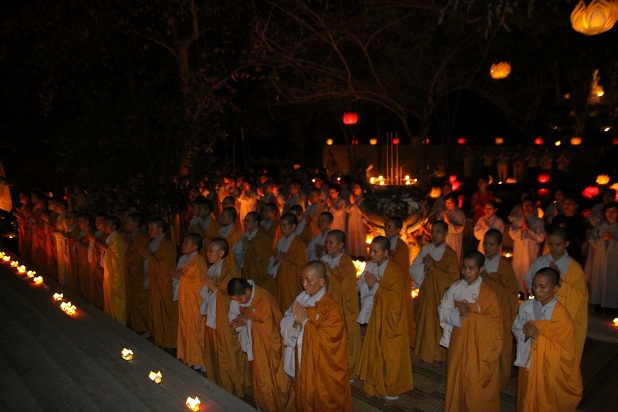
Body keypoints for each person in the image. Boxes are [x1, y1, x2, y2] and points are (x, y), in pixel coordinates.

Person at [280, 261, 352, 411]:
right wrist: (296, 324)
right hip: (303, 357)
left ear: (321, 281)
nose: (304, 284)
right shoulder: (302, 298)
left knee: (321, 398)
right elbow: (287, 318)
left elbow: (330, 339)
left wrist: (305, 322)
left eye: (308, 280)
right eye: (302, 280)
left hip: (321, 365)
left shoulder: (329, 306)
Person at [438, 250, 502, 411]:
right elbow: (443, 310)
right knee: (455, 376)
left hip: (477, 347)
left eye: (471, 268)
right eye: (464, 267)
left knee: (473, 382)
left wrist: (470, 315)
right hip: (458, 342)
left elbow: (495, 325)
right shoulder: (455, 287)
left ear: (481, 270)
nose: (466, 272)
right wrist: (458, 313)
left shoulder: (487, 294)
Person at [513, 267, 582, 411]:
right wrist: (526, 334)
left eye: (542, 287)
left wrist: (538, 337)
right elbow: (517, 328)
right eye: (534, 285)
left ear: (555, 288)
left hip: (547, 369)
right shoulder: (526, 306)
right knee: (525, 398)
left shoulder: (561, 316)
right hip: (527, 363)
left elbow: (567, 353)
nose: (537, 290)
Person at [356, 236, 414, 401]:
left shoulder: (393, 271)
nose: (372, 254)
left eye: (376, 251)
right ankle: (372, 385)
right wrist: (368, 284)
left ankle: (391, 390)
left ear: (386, 253)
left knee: (389, 353)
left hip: (390, 320)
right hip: (376, 316)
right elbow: (361, 286)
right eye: (371, 251)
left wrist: (375, 285)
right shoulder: (371, 266)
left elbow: (396, 299)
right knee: (374, 349)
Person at [228, 278, 295, 412]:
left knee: (274, 383)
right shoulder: (244, 298)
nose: (239, 302)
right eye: (236, 300)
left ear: (248, 291)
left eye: (240, 299)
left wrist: (247, 322)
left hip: (271, 352)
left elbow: (272, 330)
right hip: (257, 349)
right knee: (260, 381)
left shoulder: (264, 299)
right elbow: (239, 313)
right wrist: (240, 322)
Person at [524, 228, 588, 364]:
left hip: (561, 315)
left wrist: (561, 280)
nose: (553, 248)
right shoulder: (540, 261)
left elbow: (580, 297)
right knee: (537, 351)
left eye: (557, 245)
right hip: (539, 311)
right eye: (550, 244)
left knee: (555, 354)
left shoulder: (574, 268)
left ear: (566, 244)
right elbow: (529, 281)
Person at [201, 238, 248, 397]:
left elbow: (232, 298)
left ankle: (230, 385)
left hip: (225, 319)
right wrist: (210, 289)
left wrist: (214, 288)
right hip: (213, 316)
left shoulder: (229, 271)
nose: (208, 253)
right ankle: (216, 380)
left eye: (211, 250)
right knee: (214, 351)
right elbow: (205, 292)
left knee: (226, 352)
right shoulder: (212, 269)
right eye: (207, 250)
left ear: (221, 253)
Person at [409, 221, 459, 366]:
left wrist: (433, 267)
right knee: (423, 322)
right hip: (426, 292)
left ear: (445, 234)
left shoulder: (450, 254)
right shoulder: (426, 249)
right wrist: (425, 267)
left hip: (440, 295)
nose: (435, 235)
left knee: (437, 324)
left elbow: (453, 278)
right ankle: (423, 353)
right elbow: (413, 268)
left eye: (438, 232)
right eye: (433, 232)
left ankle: (438, 356)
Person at [321, 230, 361, 377]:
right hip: (327, 304)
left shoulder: (346, 263)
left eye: (331, 242)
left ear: (341, 245)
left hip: (343, 308)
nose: (327, 245)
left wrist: (329, 274)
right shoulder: (325, 259)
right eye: (326, 242)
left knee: (345, 337)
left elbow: (346, 290)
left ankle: (347, 370)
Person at [482, 229, 518, 388]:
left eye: (491, 244)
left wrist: (489, 280)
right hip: (481, 311)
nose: (487, 247)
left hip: (498, 313)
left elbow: (511, 293)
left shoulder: (504, 266)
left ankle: (499, 377)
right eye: (485, 243)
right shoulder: (480, 260)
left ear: (499, 246)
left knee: (498, 343)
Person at [141, 218, 178, 350]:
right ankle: (158, 337)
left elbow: (166, 267)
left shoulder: (166, 245)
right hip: (155, 283)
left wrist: (149, 258)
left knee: (165, 312)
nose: (149, 231)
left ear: (160, 230)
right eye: (149, 228)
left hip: (164, 284)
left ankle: (168, 341)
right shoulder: (155, 243)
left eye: (152, 229)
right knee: (155, 311)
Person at [173, 233, 208, 370]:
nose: (183, 245)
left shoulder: (199, 262)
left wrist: (182, 278)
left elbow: (200, 285)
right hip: (186, 302)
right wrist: (181, 277)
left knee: (196, 330)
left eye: (186, 243)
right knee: (186, 329)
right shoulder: (186, 259)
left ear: (194, 247)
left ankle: (200, 361)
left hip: (195, 303)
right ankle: (189, 357)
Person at [268, 212, 308, 311]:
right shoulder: (281, 241)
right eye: (281, 225)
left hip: (291, 282)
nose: (282, 228)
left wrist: (283, 261)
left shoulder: (298, 243)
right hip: (280, 279)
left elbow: (301, 266)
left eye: (284, 225)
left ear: (293, 226)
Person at [384, 216, 415, 346]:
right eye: (385, 226)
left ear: (397, 230)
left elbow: (399, 267)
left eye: (389, 227)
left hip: (398, 284)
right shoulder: (385, 243)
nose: (386, 229)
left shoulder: (401, 247)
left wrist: (387, 255)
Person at [586, 201, 618, 316]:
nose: (610, 214)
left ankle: (611, 306)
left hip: (614, 260)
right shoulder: (600, 226)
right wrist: (602, 239)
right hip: (600, 258)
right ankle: (598, 304)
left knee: (612, 281)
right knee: (599, 280)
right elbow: (591, 240)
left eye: (613, 211)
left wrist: (612, 240)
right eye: (608, 211)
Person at [509, 198, 546, 294]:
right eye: (525, 205)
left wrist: (528, 230)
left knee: (529, 271)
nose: (527, 207)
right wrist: (521, 230)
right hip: (519, 252)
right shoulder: (518, 219)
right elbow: (511, 233)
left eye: (529, 205)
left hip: (531, 252)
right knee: (518, 272)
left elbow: (541, 237)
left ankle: (529, 294)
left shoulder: (538, 221)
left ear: (533, 207)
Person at [124, 212, 151, 334]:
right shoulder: (135, 236)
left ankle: (142, 327)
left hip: (139, 273)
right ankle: (136, 324)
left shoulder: (142, 238)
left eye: (128, 222)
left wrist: (128, 261)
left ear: (136, 224)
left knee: (140, 300)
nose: (125, 224)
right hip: (135, 273)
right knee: (134, 299)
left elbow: (137, 257)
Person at [101, 216, 128, 325]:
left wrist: (106, 249)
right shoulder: (111, 238)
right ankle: (110, 315)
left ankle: (119, 319)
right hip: (110, 271)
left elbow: (119, 258)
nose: (105, 226)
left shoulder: (118, 240)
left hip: (117, 273)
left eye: (107, 225)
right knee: (109, 293)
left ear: (114, 227)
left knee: (117, 295)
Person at [549, 196, 587, 265]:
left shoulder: (579, 220)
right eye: (565, 203)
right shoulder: (557, 219)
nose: (566, 205)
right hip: (558, 253)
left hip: (573, 253)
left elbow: (581, 238)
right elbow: (551, 233)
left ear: (575, 206)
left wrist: (567, 230)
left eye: (569, 203)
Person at [439, 193, 466, 263]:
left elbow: (460, 229)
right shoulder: (443, 213)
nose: (448, 204)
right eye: (446, 202)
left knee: (454, 260)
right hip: (444, 240)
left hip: (454, 241)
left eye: (450, 202)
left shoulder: (460, 214)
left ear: (455, 203)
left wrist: (448, 222)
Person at [345, 182, 367, 258]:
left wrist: (354, 203)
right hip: (352, 220)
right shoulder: (353, 198)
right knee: (352, 237)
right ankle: (352, 254)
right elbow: (347, 210)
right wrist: (352, 203)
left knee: (359, 237)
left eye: (357, 187)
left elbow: (361, 212)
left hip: (359, 221)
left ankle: (360, 255)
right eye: (354, 187)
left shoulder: (363, 199)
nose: (355, 189)